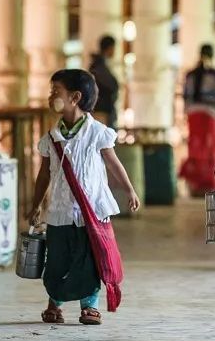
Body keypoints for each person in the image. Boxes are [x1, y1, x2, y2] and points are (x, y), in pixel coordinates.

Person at [26, 69, 139, 326]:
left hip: (92, 212)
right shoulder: (50, 139)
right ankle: (54, 303)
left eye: (56, 91)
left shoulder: (98, 133)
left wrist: (129, 189)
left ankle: (90, 306)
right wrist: (36, 205)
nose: (50, 96)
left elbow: (113, 164)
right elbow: (43, 175)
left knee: (89, 262)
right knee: (56, 262)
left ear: (75, 97)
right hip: (59, 212)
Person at [179, 44, 215, 196]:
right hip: (210, 114)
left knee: (195, 147)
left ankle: (195, 185)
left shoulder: (190, 74)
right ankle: (210, 184)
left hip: (193, 114)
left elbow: (186, 96)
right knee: (210, 147)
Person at [88, 35, 119, 129]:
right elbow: (111, 87)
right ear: (109, 48)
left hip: (104, 112)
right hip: (102, 113)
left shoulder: (100, 65)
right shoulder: (98, 67)